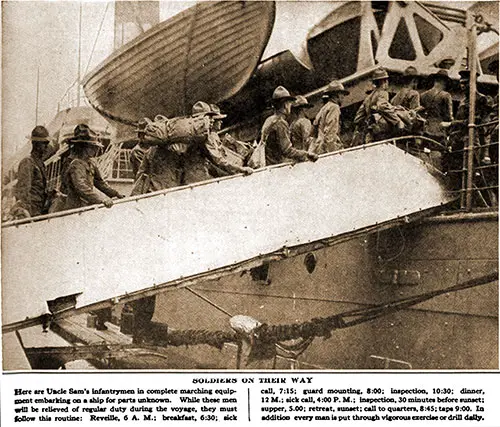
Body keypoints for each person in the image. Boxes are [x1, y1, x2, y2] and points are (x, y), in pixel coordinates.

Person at [182, 101, 253, 184]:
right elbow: (218, 160)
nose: (220, 122)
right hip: (197, 175)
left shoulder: (210, 134)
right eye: (217, 119)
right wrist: (240, 169)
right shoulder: (206, 136)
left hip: (200, 171)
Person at [59, 124, 125, 212]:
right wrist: (101, 200)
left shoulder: (91, 163)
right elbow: (81, 187)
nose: (95, 150)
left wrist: (116, 194)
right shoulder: (75, 165)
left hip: (85, 205)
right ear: (84, 147)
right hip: (74, 207)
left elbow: (100, 183)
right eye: (92, 147)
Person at [261, 86, 318, 165]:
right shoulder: (280, 123)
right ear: (285, 105)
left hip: (268, 165)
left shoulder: (269, 120)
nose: (290, 106)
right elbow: (287, 150)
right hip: (278, 167)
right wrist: (307, 154)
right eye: (289, 103)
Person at [352, 68, 403, 145]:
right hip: (380, 133)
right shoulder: (383, 93)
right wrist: (397, 121)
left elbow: (357, 118)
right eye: (387, 80)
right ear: (384, 81)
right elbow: (382, 106)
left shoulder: (368, 97)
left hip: (370, 133)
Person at [12, 126, 52, 219]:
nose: (47, 147)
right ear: (36, 144)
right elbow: (23, 191)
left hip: (39, 210)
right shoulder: (28, 162)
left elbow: (39, 188)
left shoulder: (40, 163)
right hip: (31, 211)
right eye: (44, 144)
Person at [311, 81, 349, 154]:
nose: (343, 97)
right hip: (328, 149)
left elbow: (314, 129)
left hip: (319, 148)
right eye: (342, 94)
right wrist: (332, 153)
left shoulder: (323, 108)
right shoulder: (334, 107)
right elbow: (330, 133)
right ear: (336, 95)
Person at [420, 69, 453, 143]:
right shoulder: (446, 95)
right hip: (439, 131)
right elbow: (449, 116)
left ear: (435, 80)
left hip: (426, 129)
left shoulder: (423, 95)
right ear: (444, 82)